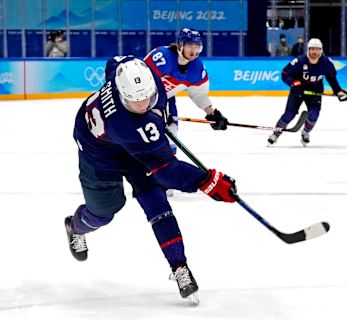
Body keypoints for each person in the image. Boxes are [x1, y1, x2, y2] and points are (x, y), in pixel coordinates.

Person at [65, 55, 237, 304]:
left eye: (148, 96)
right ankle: (75, 226)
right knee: (105, 211)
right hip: (99, 153)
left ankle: (179, 267)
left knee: (157, 202)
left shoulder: (136, 72)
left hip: (132, 143)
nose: (144, 103)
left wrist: (157, 115)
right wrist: (207, 181)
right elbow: (168, 171)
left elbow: (114, 61)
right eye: (136, 102)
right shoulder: (126, 124)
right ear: (124, 96)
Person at [144, 28, 229, 197]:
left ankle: (164, 178)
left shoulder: (197, 68)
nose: (194, 50)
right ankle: (140, 177)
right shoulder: (162, 57)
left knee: (171, 136)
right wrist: (150, 108)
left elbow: (198, 93)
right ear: (181, 45)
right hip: (139, 100)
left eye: (198, 46)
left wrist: (211, 113)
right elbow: (140, 81)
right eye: (190, 45)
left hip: (166, 101)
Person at [267, 38, 347, 147]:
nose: (315, 52)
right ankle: (275, 134)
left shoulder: (326, 63)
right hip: (298, 91)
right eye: (312, 49)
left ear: (321, 50)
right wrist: (293, 82)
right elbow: (285, 74)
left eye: (317, 49)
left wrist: (338, 91)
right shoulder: (299, 61)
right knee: (289, 114)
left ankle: (305, 132)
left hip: (315, 91)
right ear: (308, 49)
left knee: (314, 114)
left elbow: (331, 78)